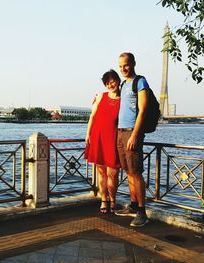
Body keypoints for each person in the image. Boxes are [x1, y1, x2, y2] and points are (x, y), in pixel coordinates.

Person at [114, 52, 149, 227]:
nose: (123, 69)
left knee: (136, 172)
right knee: (128, 171)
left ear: (133, 63)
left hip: (131, 132)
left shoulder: (140, 82)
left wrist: (135, 135)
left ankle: (142, 212)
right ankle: (134, 205)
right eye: (120, 66)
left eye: (126, 65)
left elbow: (142, 110)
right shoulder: (123, 84)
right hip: (120, 132)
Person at [85, 69, 121, 214]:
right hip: (98, 137)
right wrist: (88, 134)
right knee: (101, 173)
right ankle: (103, 200)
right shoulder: (100, 96)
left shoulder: (124, 99)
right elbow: (92, 116)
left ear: (117, 81)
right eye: (107, 83)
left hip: (113, 138)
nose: (110, 85)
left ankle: (113, 199)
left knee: (113, 173)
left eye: (112, 81)